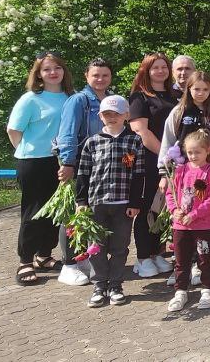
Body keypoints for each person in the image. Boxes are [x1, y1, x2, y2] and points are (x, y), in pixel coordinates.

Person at [6, 51, 75, 285]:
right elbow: (14, 131)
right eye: (47, 69)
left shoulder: (70, 97)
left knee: (56, 211)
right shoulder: (30, 99)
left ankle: (44, 256)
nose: (53, 73)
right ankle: (25, 260)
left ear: (64, 71)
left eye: (57, 68)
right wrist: (29, 152)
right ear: (39, 74)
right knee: (34, 211)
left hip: (61, 161)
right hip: (34, 161)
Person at [74, 95, 147, 307]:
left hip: (123, 205)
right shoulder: (92, 142)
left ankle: (116, 285)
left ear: (126, 115)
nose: (112, 118)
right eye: (107, 114)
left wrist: (135, 203)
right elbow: (83, 174)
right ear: (100, 116)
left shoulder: (134, 141)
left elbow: (139, 174)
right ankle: (99, 285)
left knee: (120, 246)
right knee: (95, 246)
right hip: (96, 204)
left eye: (116, 114)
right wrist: (81, 202)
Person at [55, 58, 113, 286]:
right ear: (86, 76)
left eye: (105, 75)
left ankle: (84, 258)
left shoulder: (110, 100)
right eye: (95, 75)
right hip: (80, 164)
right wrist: (68, 163)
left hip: (102, 166)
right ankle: (68, 264)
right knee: (72, 212)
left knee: (90, 213)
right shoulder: (78, 100)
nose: (100, 79)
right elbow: (67, 133)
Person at [126, 53, 179, 278]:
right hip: (149, 160)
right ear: (146, 71)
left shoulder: (174, 95)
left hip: (173, 161)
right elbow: (141, 131)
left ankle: (157, 252)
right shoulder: (139, 97)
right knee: (147, 207)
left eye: (164, 67)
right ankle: (143, 257)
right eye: (155, 67)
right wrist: (165, 155)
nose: (160, 71)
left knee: (162, 208)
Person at [164, 130, 210, 312]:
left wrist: (194, 214)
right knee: (181, 260)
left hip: (201, 225)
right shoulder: (180, 171)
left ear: (208, 150)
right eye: (190, 152)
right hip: (180, 225)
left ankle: (207, 289)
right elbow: (170, 193)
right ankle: (181, 291)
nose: (193, 156)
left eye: (197, 152)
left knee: (205, 257)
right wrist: (174, 211)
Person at [159, 71, 210, 177]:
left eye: (205, 89)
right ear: (189, 89)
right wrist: (164, 170)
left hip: (209, 168)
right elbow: (168, 140)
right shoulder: (179, 111)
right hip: (182, 167)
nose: (201, 93)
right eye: (196, 89)